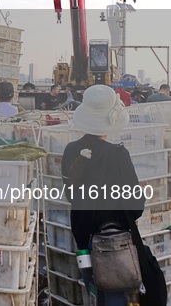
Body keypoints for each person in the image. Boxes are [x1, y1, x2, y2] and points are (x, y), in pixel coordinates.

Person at [61, 85, 145, 305]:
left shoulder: (70, 151)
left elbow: (71, 194)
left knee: (94, 292)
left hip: (83, 243)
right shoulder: (118, 155)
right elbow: (136, 206)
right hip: (112, 244)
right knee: (114, 296)